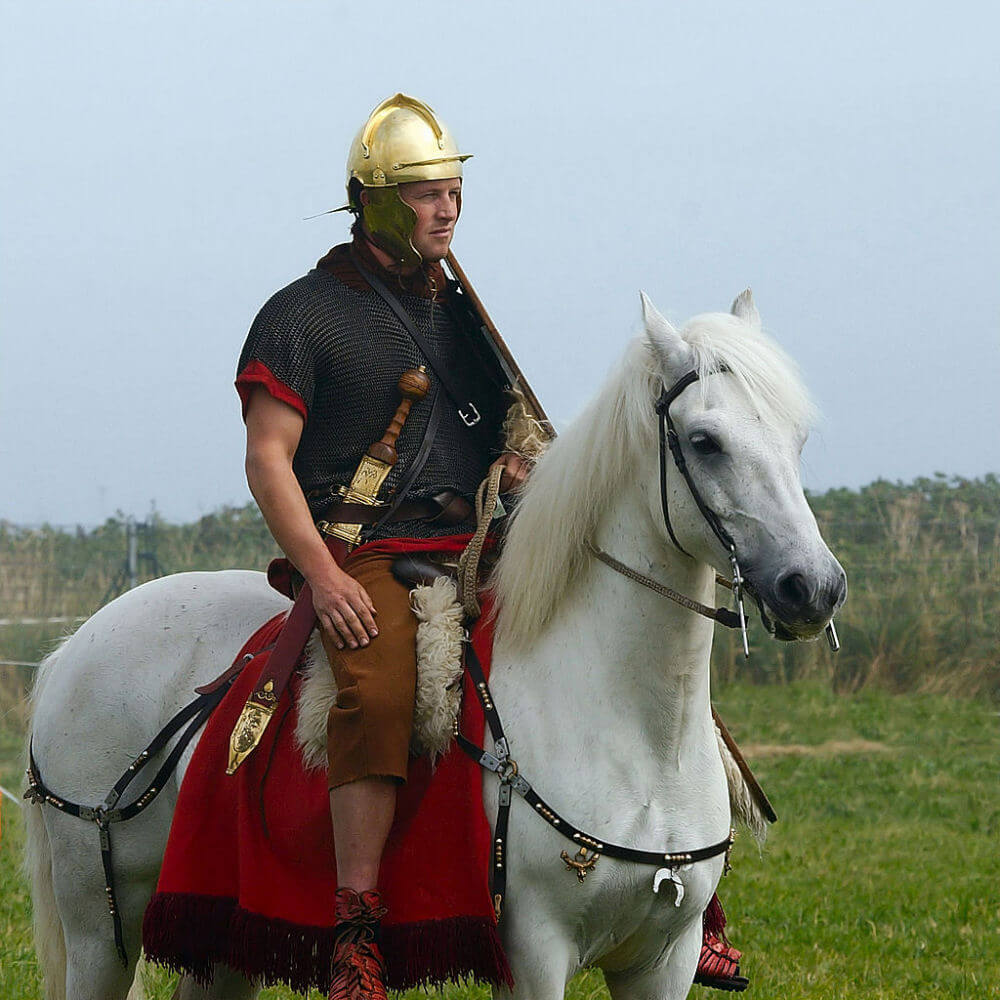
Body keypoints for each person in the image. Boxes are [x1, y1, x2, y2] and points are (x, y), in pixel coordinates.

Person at [236, 92, 747, 999]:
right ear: (376, 202)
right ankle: (357, 928)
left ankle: (688, 897)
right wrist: (322, 574)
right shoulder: (301, 313)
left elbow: (500, 428)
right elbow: (268, 460)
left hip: (480, 541)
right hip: (368, 553)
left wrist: (517, 467)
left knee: (630, 641)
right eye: (427, 193)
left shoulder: (459, 307)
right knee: (384, 685)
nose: (448, 209)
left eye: (456, 191)